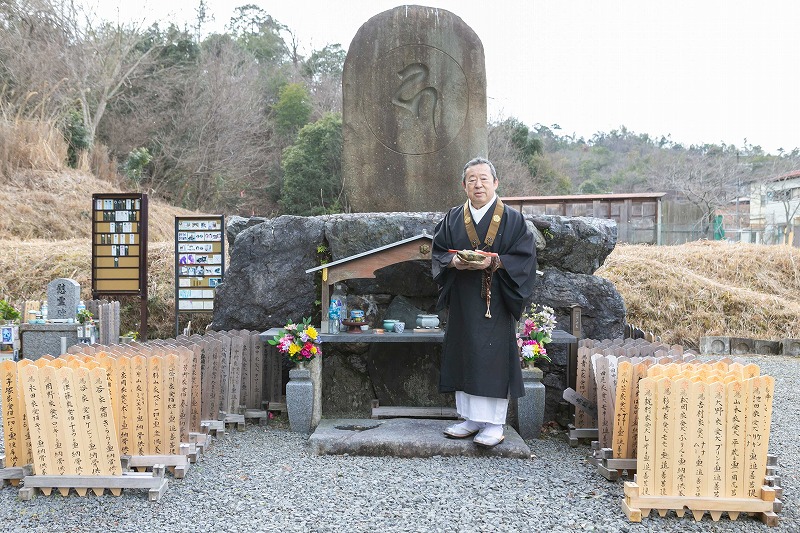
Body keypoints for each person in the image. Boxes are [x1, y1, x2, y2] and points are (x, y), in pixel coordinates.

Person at [431, 157, 536, 447]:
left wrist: (495, 262)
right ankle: (470, 418)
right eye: (472, 180)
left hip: (497, 298)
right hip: (464, 296)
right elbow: (438, 251)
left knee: (492, 356)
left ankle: (493, 423)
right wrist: (454, 261)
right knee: (464, 352)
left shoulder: (513, 220)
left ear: (496, 183)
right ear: (463, 185)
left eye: (483, 179)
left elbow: (525, 258)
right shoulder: (453, 217)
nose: (478, 185)